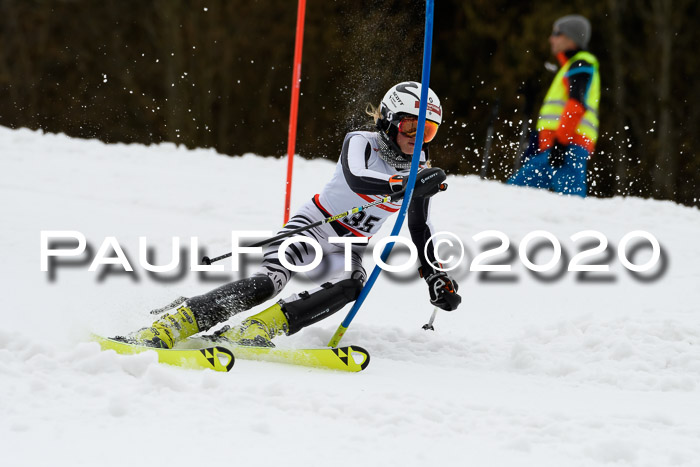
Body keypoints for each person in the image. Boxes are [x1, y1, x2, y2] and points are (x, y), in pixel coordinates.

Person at [120, 81, 462, 349]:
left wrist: (434, 275)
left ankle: (259, 327)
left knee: (352, 285)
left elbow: (419, 227)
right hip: (312, 229)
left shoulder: (418, 170)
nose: (416, 140)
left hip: (348, 249)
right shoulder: (361, 142)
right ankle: (180, 320)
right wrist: (402, 183)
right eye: (409, 128)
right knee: (269, 283)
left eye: (427, 131)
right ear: (388, 121)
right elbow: (358, 177)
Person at [507, 15, 600, 197]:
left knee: (570, 204)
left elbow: (576, 105)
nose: (551, 38)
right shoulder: (570, 66)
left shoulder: (581, 64)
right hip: (556, 147)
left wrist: (561, 143)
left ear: (571, 38)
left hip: (568, 147)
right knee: (515, 194)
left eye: (556, 33)